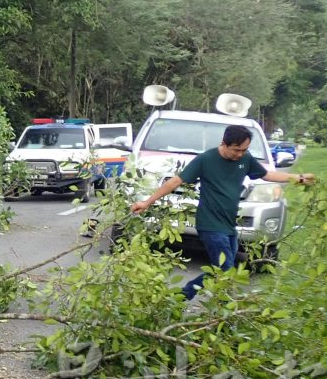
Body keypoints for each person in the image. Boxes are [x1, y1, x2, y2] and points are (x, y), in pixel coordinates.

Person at [131, 125, 314, 300]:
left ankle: (182, 298)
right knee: (225, 271)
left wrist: (298, 178)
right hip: (210, 224)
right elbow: (175, 182)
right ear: (224, 143)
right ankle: (211, 307)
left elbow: (267, 175)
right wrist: (147, 202)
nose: (240, 154)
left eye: (244, 150)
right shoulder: (206, 159)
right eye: (236, 150)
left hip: (228, 225)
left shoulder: (245, 159)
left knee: (220, 271)